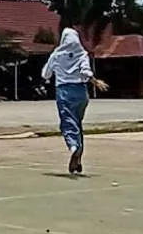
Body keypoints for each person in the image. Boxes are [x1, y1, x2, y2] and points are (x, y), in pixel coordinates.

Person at [41, 27, 108, 175]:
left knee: (68, 122)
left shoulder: (57, 55)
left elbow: (45, 74)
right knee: (77, 123)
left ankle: (73, 147)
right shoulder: (81, 53)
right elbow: (85, 71)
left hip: (64, 91)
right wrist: (95, 81)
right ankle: (78, 160)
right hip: (81, 92)